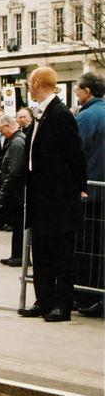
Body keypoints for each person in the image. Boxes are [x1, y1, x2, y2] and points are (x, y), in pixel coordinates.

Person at [17, 67, 87, 322]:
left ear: (37, 83)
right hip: (41, 193)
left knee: (60, 253)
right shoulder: (41, 114)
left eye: (29, 82)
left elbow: (75, 154)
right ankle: (43, 300)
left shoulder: (60, 114)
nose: (27, 86)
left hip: (58, 196)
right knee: (42, 250)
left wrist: (80, 187)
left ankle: (61, 305)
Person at [74, 71, 104, 317]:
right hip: (98, 190)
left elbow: (76, 153)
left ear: (87, 91)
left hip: (90, 193)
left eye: (77, 90)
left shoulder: (87, 116)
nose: (76, 94)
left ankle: (89, 295)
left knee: (88, 248)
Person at [0, 114, 26, 268]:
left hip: (17, 193)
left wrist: (3, 191)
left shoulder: (17, 143)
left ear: (7, 126)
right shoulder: (15, 141)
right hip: (16, 192)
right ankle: (16, 254)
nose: (1, 133)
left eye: (2, 130)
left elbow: (14, 171)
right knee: (18, 225)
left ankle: (19, 256)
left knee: (20, 225)